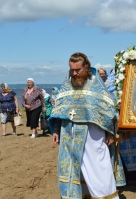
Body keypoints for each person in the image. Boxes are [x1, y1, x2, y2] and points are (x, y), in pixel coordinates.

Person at [49, 52, 119, 199]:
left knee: (98, 167)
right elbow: (59, 108)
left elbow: (108, 110)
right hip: (68, 134)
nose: (74, 73)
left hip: (92, 135)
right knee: (73, 168)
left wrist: (111, 132)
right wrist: (56, 129)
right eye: (72, 70)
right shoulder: (67, 83)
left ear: (86, 67)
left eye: (77, 70)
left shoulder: (96, 85)